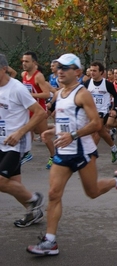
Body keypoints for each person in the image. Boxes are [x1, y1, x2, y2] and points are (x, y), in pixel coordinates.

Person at [27, 54, 117, 256]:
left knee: (92, 192)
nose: (60, 71)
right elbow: (68, 121)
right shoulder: (60, 93)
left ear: (78, 72)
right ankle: (50, 241)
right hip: (63, 152)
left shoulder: (82, 94)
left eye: (66, 67)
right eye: (59, 67)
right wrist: (53, 130)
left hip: (83, 152)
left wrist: (73, 136)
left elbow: (96, 124)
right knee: (54, 194)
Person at [0, 54, 47, 228]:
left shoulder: (17, 88)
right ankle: (32, 212)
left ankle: (35, 199)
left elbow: (40, 113)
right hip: (1, 141)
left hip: (16, 142)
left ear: (4, 69)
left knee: (2, 182)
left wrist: (20, 132)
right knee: (14, 184)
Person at [21, 51, 55, 169]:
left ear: (34, 62)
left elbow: (46, 94)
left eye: (27, 61)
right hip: (28, 109)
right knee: (27, 130)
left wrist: (30, 95)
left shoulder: (38, 76)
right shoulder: (23, 74)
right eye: (23, 61)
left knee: (44, 135)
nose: (24, 63)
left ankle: (53, 155)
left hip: (39, 110)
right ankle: (27, 153)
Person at [84, 61, 117, 162]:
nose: (92, 72)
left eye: (95, 71)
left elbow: (116, 96)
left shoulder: (107, 84)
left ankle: (90, 156)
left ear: (101, 72)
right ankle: (114, 148)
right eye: (91, 70)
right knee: (102, 132)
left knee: (95, 130)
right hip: (91, 111)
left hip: (103, 111)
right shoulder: (87, 83)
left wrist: (115, 108)